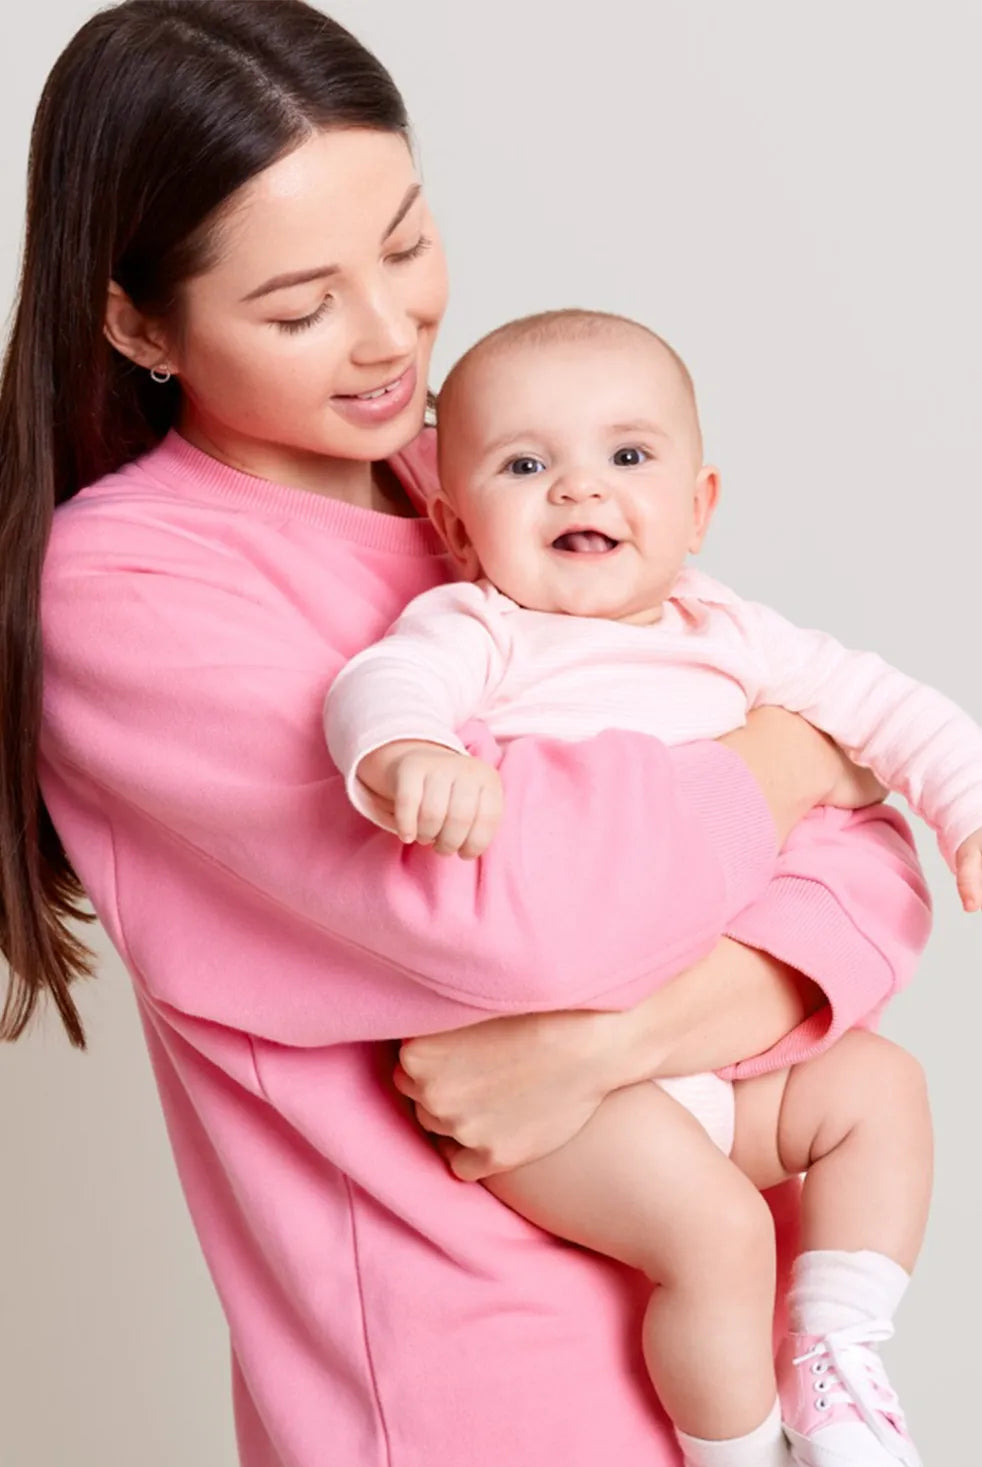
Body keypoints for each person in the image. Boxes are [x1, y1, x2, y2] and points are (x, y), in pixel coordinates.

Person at [0, 4, 931, 1466]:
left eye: (408, 239)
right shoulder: (129, 586)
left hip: (744, 1368)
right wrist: (794, 753)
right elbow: (528, 910)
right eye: (302, 305)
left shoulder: (498, 460)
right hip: (470, 1399)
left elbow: (875, 868)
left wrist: (629, 1033)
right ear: (136, 320)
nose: (389, 336)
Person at [326, 308, 974, 1467]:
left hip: (728, 1059)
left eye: (628, 457)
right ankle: (739, 1452)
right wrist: (408, 755)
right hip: (563, 1099)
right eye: (525, 466)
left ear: (697, 506)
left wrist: (966, 811)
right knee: (720, 1236)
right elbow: (384, 684)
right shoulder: (482, 628)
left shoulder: (737, 635)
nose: (581, 490)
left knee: (884, 1091)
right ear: (456, 526)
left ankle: (840, 1356)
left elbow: (892, 710)